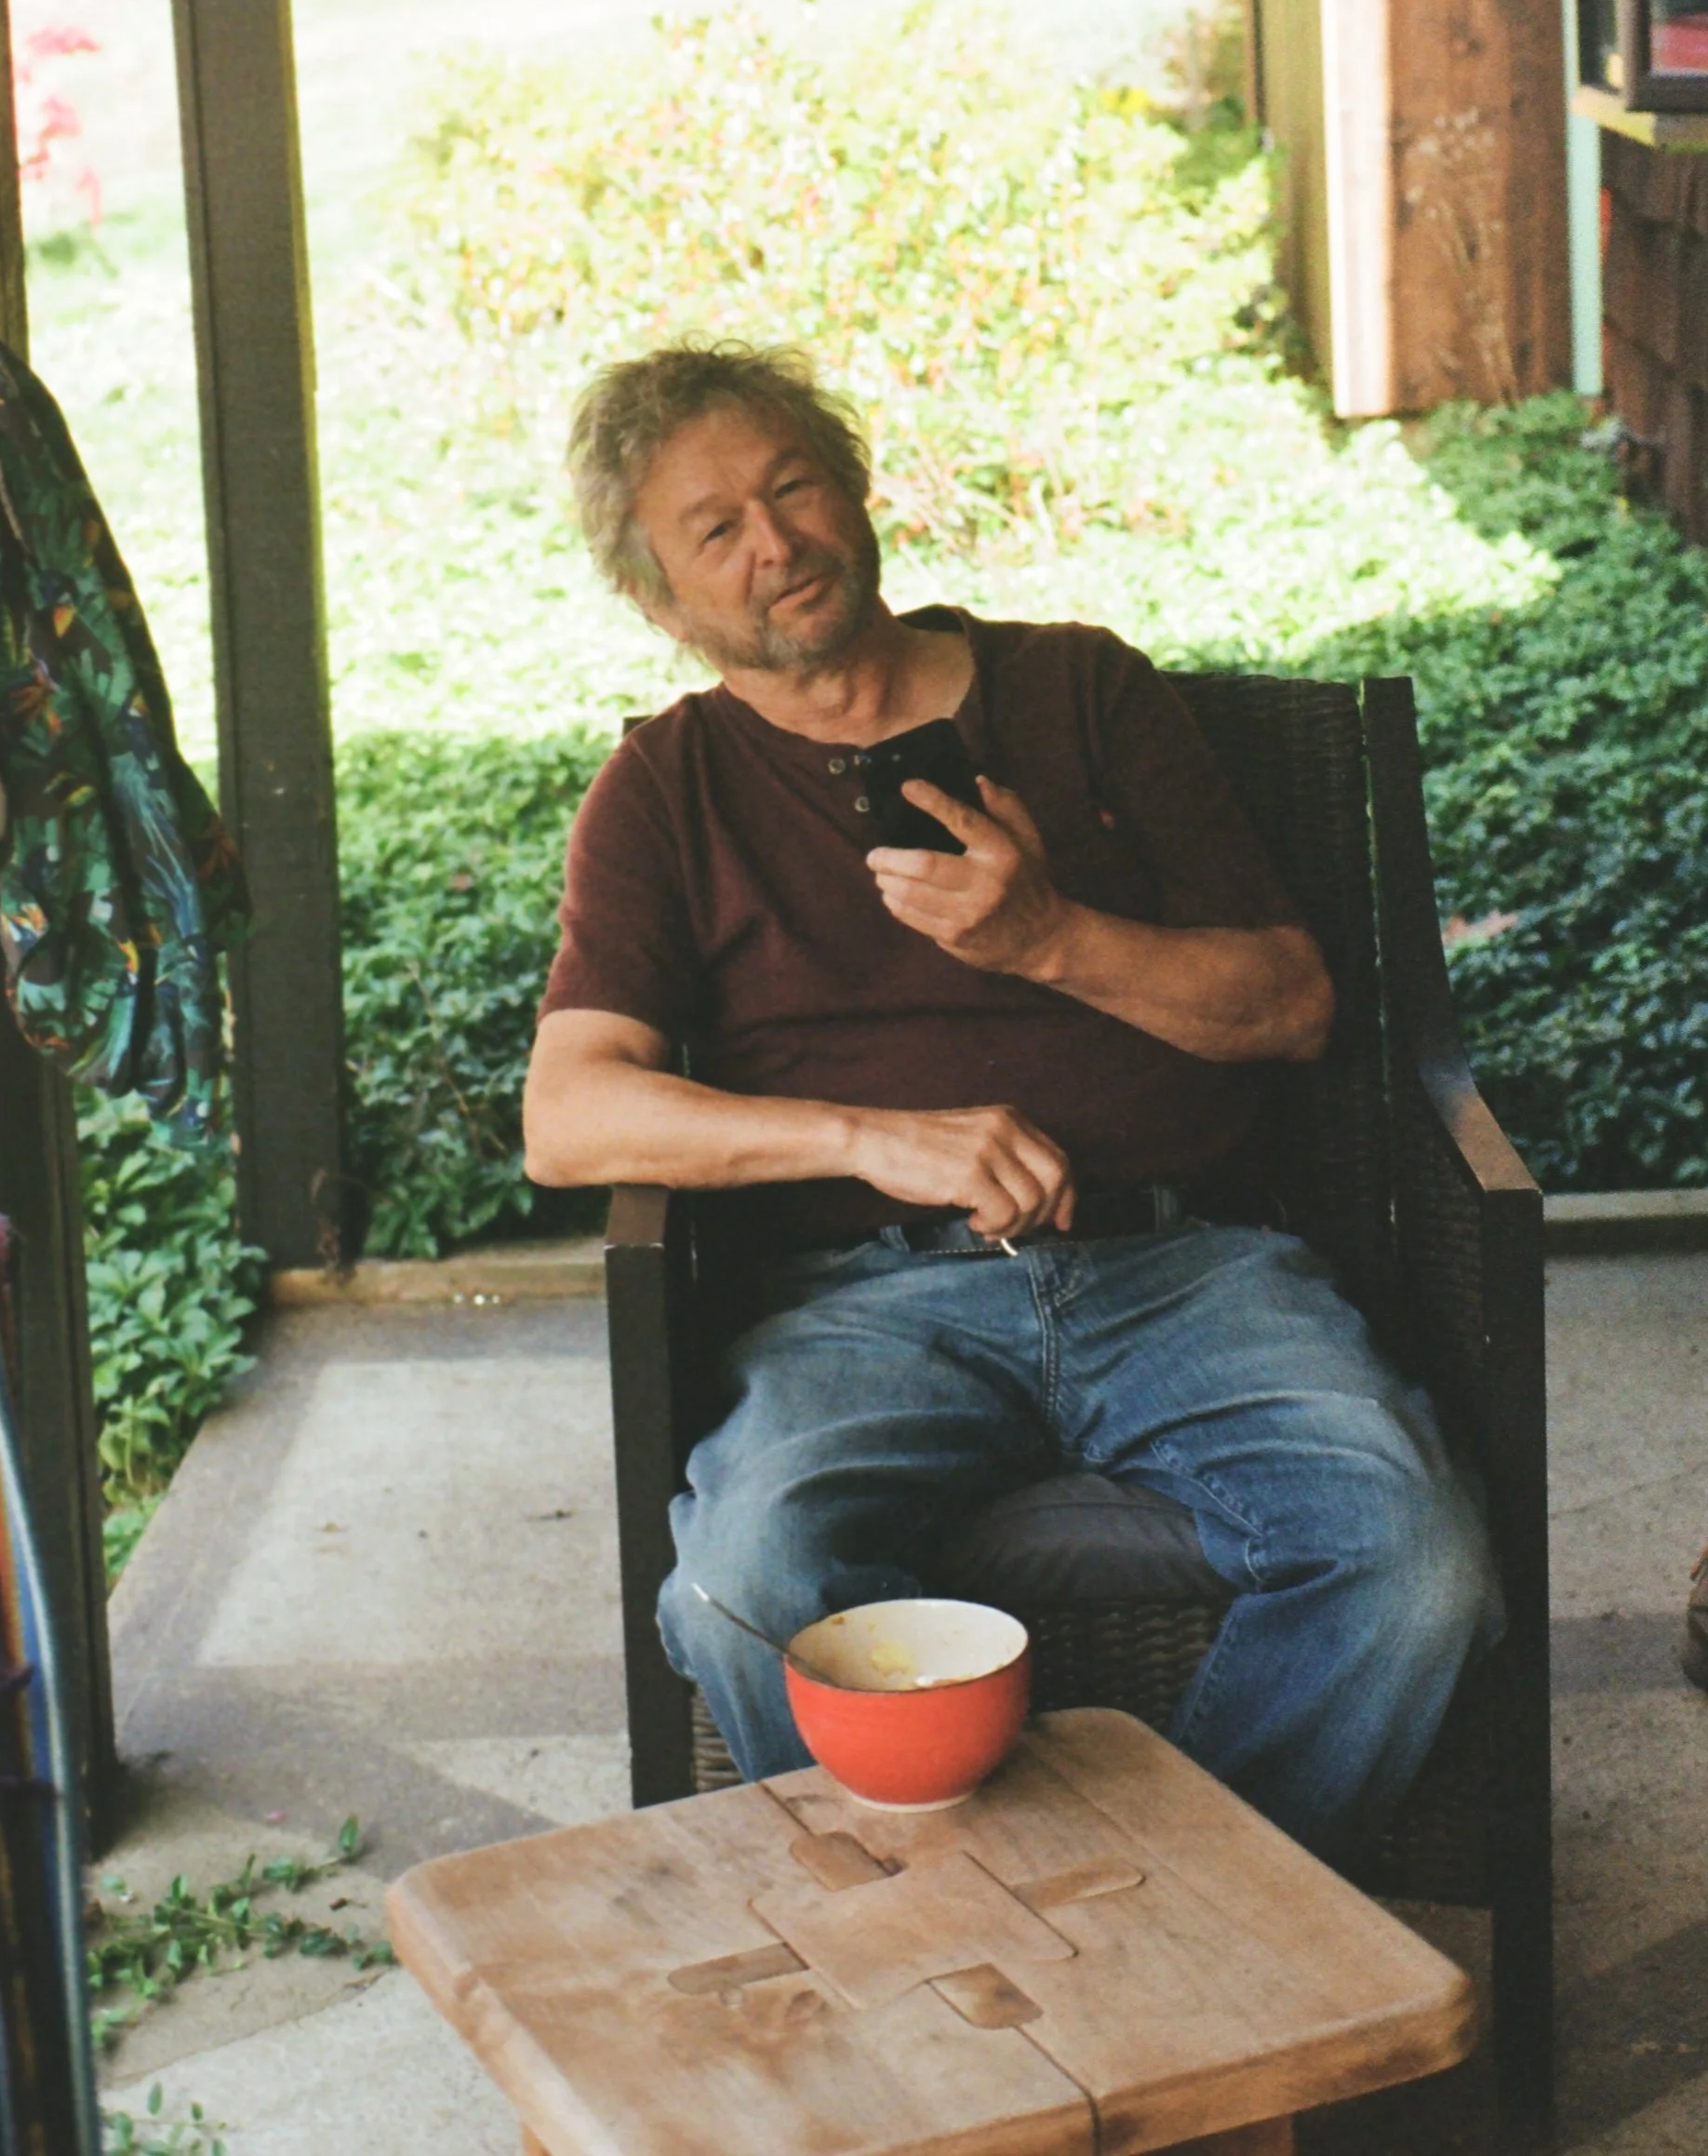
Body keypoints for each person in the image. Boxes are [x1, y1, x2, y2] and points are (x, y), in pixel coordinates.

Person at [523, 339, 1499, 1863]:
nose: (776, 540)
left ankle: (1166, 1925)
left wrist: (1047, 937)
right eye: (716, 528)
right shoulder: (666, 790)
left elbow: (1293, 1005)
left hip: (1186, 1266)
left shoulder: (1080, 688)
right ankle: (988, 1924)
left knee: (1416, 1562)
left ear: (858, 493)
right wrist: (878, 1142)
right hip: (864, 1305)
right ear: (658, 598)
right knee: (743, 1585)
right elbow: (569, 1114)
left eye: (794, 487)